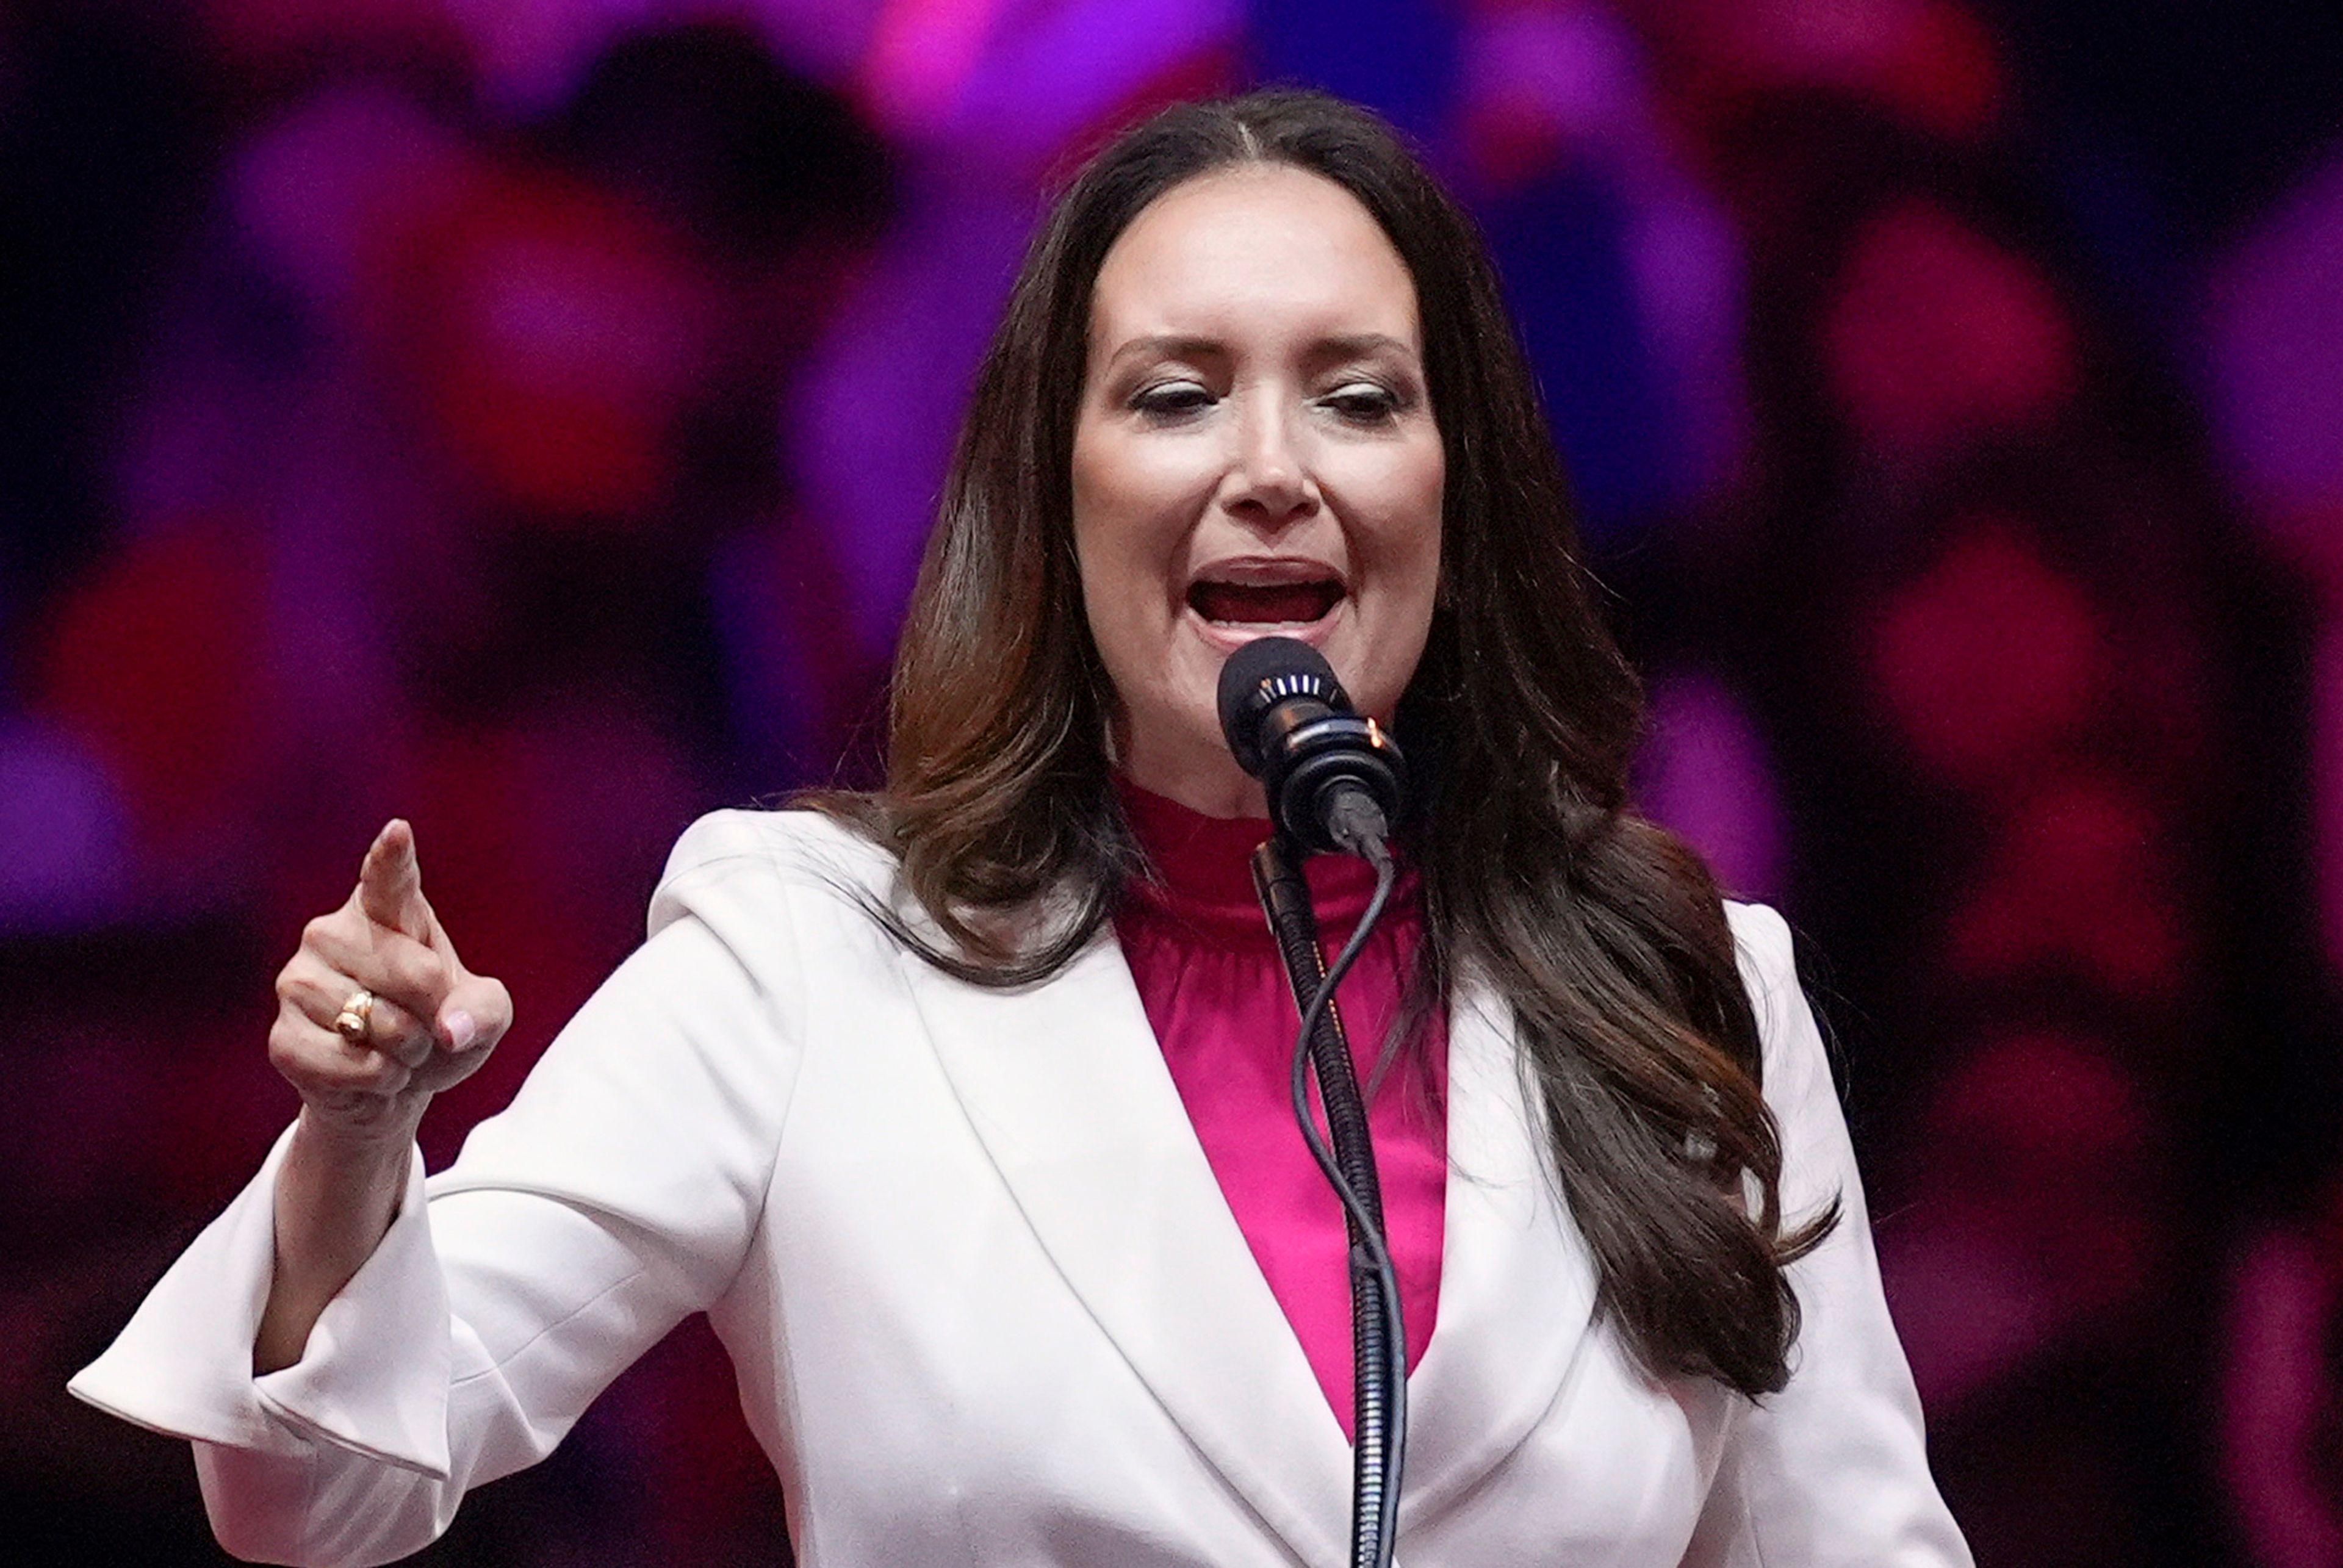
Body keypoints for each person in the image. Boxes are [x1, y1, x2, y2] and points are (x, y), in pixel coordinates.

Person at [71, 90, 1970, 1566]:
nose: (1270, 467)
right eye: (1175, 395)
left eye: (1361, 397)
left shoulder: (1690, 991)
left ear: (1456, 490)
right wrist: (351, 1138)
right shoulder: (804, 958)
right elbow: (322, 1487)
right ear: (1048, 499)